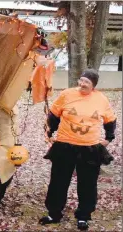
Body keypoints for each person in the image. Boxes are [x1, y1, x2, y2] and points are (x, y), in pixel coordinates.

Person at [39, 69, 117, 230]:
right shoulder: (67, 95)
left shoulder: (101, 99)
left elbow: (110, 120)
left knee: (87, 184)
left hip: (89, 148)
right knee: (58, 181)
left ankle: (83, 216)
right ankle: (54, 213)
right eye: (81, 80)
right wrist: (49, 132)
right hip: (65, 145)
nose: (82, 84)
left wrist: (109, 138)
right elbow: (54, 115)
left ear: (93, 86)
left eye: (86, 82)